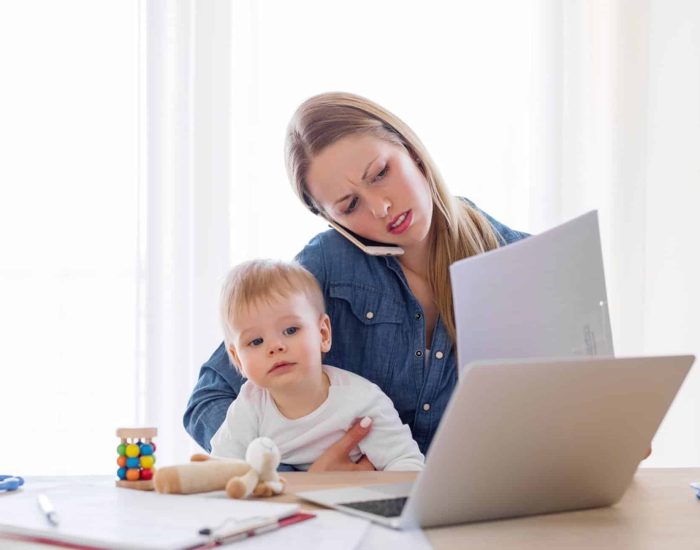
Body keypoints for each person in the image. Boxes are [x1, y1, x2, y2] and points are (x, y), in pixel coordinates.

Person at [184, 92, 529, 471]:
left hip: (481, 511)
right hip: (351, 520)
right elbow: (209, 398)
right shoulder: (326, 266)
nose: (381, 207)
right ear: (333, 219)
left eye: (381, 173)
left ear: (410, 149)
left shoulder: (521, 259)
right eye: (350, 205)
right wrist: (293, 476)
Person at [210, 258, 425, 471]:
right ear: (238, 359)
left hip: (352, 501)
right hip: (282, 503)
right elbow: (222, 470)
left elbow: (407, 464)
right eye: (256, 341)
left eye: (291, 330)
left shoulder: (362, 400)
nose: (275, 347)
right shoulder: (249, 407)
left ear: (323, 334)